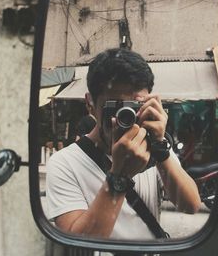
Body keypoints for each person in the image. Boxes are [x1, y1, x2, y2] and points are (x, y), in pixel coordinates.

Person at [46, 48, 201, 240]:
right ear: (90, 103)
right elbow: (77, 241)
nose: (124, 117)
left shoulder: (152, 148)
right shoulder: (64, 163)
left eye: (134, 107)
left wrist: (160, 148)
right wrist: (119, 175)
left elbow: (190, 205)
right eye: (115, 106)